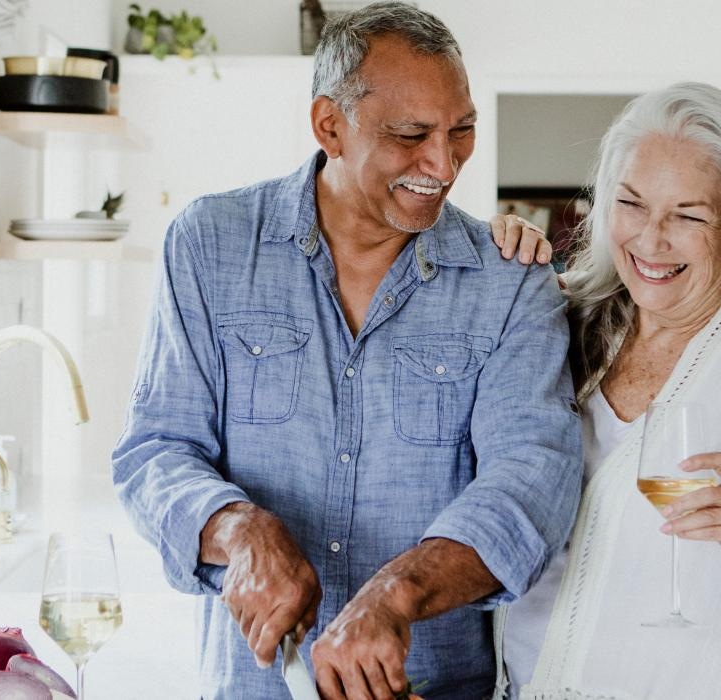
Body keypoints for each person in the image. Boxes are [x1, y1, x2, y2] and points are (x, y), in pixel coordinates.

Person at [110, 3, 580, 698]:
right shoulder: (210, 244)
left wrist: (395, 595)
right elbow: (155, 451)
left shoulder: (511, 282)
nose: (444, 163)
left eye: (462, 130)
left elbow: (532, 483)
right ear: (330, 125)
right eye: (411, 134)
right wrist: (238, 530)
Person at [490, 82, 721, 699]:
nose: (650, 239)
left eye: (688, 215)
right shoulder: (568, 322)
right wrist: (497, 261)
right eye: (632, 204)